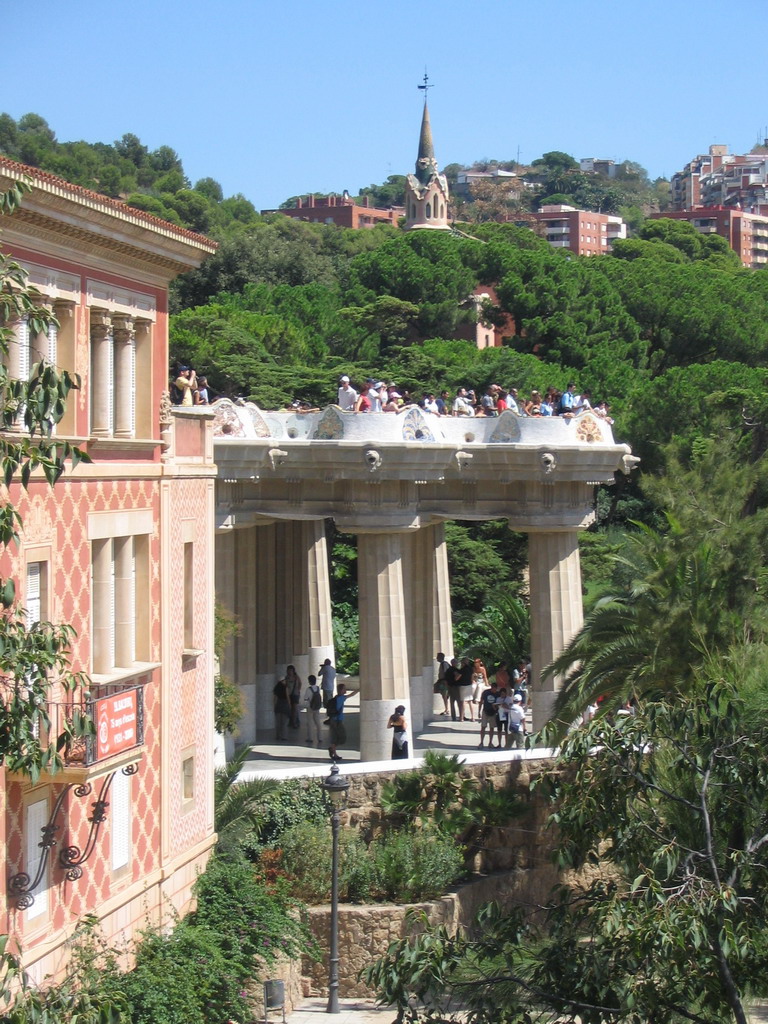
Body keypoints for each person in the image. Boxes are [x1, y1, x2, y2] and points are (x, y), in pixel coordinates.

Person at [327, 681, 358, 762]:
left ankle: (333, 750)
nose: (346, 690)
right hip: (336, 721)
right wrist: (359, 689)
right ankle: (333, 751)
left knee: (338, 737)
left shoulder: (337, 697)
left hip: (334, 720)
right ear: (341, 690)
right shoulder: (341, 698)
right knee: (341, 737)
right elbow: (351, 695)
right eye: (344, 689)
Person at [304, 674, 324, 746]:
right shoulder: (318, 688)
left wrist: (306, 705)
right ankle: (320, 737)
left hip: (310, 707)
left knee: (310, 723)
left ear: (309, 681)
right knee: (318, 723)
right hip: (317, 707)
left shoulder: (308, 689)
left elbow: (306, 699)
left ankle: (310, 738)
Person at [478, 681, 499, 748]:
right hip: (485, 711)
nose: (494, 690)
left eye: (495, 688)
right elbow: (481, 701)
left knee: (492, 728)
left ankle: (490, 742)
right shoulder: (486, 692)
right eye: (493, 688)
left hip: (493, 712)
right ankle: (481, 742)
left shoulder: (497, 694)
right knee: (483, 727)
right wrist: (479, 711)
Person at [469, 658, 488, 722]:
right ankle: (471, 698)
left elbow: (485, 677)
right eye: (475, 663)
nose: (475, 664)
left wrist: (487, 683)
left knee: (480, 687)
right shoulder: (473, 669)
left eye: (477, 663)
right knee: (473, 687)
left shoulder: (482, 669)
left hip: (481, 682)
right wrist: (473, 680)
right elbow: (472, 677)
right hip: (475, 681)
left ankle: (477, 699)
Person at [272, 676, 290, 741]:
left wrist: (274, 706)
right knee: (284, 722)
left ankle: (278, 735)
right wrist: (289, 705)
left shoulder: (276, 688)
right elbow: (288, 697)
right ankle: (284, 736)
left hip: (278, 705)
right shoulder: (286, 688)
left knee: (278, 722)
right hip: (285, 705)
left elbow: (274, 698)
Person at [285, 664, 302, 729]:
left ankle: (294, 722)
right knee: (290, 708)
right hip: (289, 694)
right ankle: (291, 720)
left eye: (291, 670)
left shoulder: (296, 677)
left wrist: (298, 689)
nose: (289, 672)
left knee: (294, 708)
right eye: (288, 670)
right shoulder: (286, 678)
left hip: (295, 694)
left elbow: (300, 683)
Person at [458, 657, 474, 722]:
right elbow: (472, 676)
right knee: (470, 701)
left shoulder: (462, 669)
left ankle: (461, 717)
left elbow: (457, 678)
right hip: (469, 685)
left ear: (463, 663)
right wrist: (471, 681)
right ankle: (473, 717)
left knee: (463, 701)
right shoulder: (470, 669)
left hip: (463, 686)